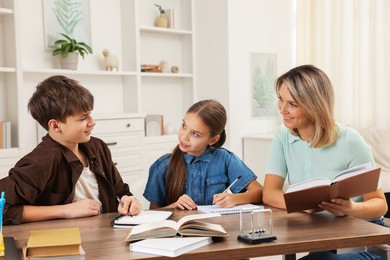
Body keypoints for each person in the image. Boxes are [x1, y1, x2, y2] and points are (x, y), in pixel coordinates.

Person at [263, 65, 385, 259]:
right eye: (280, 98)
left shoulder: (349, 140)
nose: (282, 110)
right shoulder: (283, 136)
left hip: (363, 241)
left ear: (314, 105)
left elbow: (380, 204)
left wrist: (352, 208)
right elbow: (269, 193)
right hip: (323, 236)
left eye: (293, 104)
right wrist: (301, 204)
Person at [0, 75, 141, 225]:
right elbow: (3, 208)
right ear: (55, 126)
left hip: (106, 236)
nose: (92, 122)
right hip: (64, 241)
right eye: (83, 118)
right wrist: (66, 210)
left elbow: (120, 190)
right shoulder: (40, 161)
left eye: (90, 114)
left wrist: (128, 200)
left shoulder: (98, 147)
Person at [144, 99, 263, 210]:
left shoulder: (225, 159)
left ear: (213, 140)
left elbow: (259, 191)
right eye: (184, 126)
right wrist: (174, 206)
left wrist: (235, 199)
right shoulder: (163, 166)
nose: (184, 137)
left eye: (195, 134)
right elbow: (153, 214)